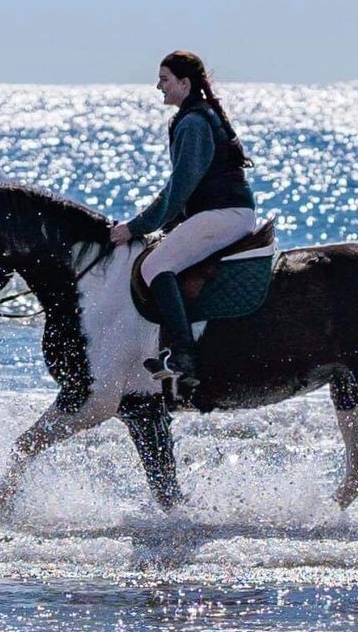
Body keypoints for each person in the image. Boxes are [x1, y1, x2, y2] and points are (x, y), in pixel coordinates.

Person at [108, 50, 259, 396]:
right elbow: (186, 193)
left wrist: (135, 227)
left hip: (223, 214)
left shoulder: (193, 122)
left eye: (164, 79)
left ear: (184, 83)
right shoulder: (193, 116)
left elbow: (178, 190)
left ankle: (183, 355)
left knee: (155, 266)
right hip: (221, 213)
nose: (158, 86)